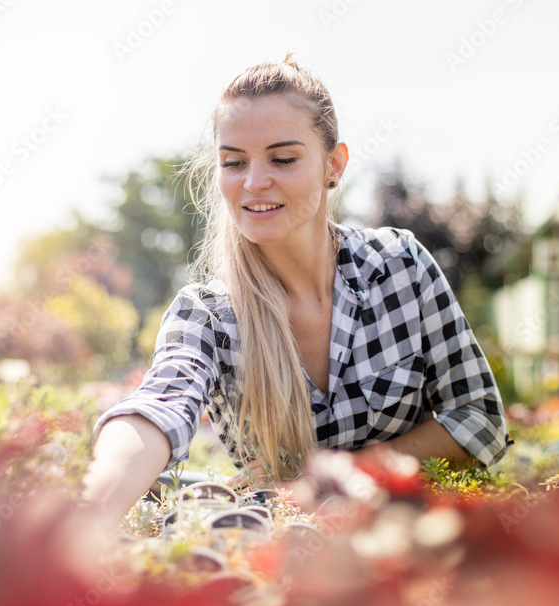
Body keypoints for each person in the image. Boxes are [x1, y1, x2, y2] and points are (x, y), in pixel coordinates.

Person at [82, 55, 511, 525]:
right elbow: (157, 407)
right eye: (233, 162)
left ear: (334, 164)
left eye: (282, 159)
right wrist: (90, 515)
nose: (253, 182)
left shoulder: (400, 265)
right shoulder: (207, 315)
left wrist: (346, 475)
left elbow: (481, 419)